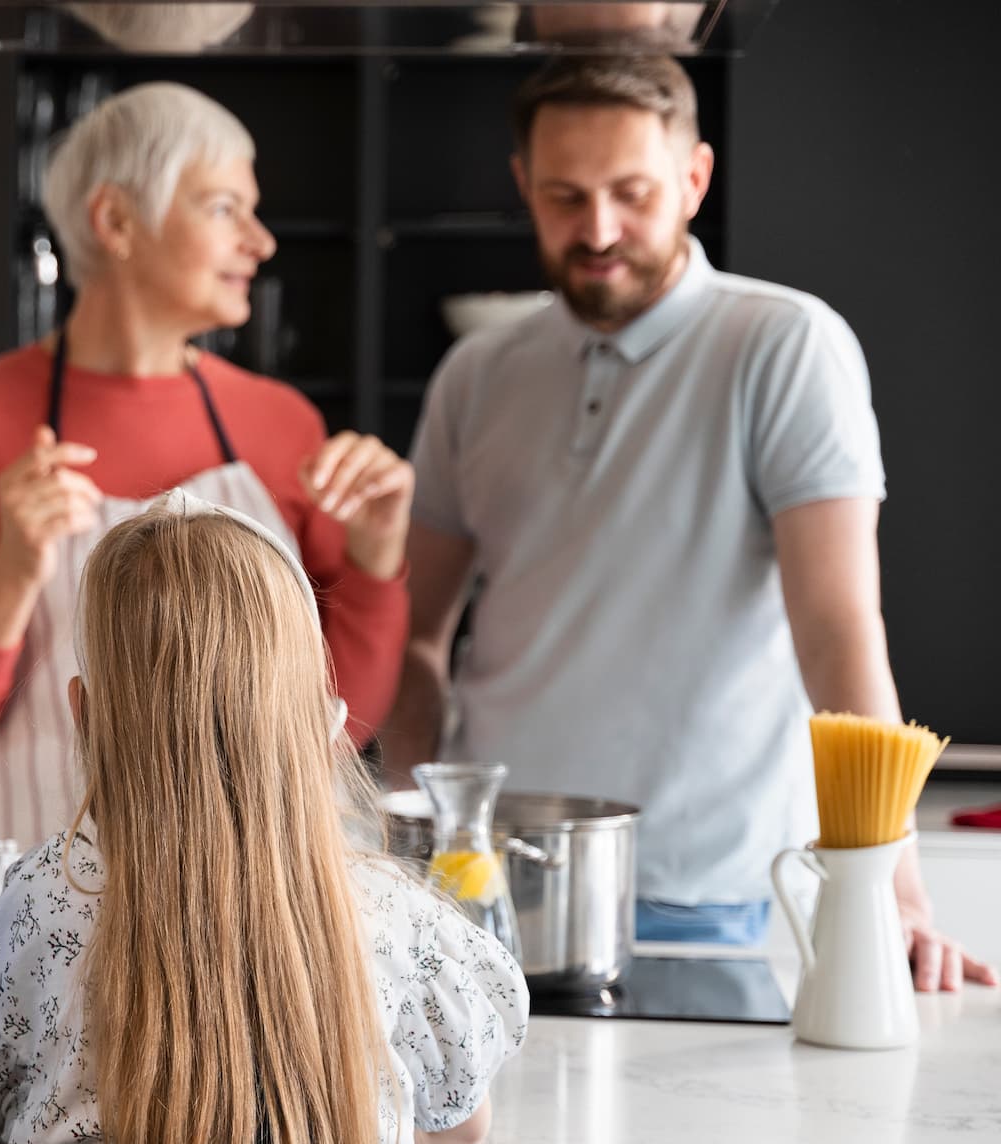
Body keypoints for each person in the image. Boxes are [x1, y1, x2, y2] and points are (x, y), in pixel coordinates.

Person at [382, 55, 993, 989]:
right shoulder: (478, 374)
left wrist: (893, 888)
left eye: (631, 192)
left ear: (694, 178)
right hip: (486, 888)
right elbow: (416, 634)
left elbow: (836, 629)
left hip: (704, 890)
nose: (598, 229)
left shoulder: (784, 345)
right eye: (563, 195)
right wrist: (413, 841)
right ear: (521, 185)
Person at [0, 493, 528, 1144]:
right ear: (322, 725)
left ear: (84, 713)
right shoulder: (387, 908)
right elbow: (463, 1121)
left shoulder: (45, 901)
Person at [0, 82, 414, 858]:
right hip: (48, 916)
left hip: (264, 903)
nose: (261, 243)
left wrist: (375, 554)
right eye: (226, 208)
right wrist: (13, 571)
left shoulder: (282, 424)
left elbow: (341, 719)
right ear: (116, 220)